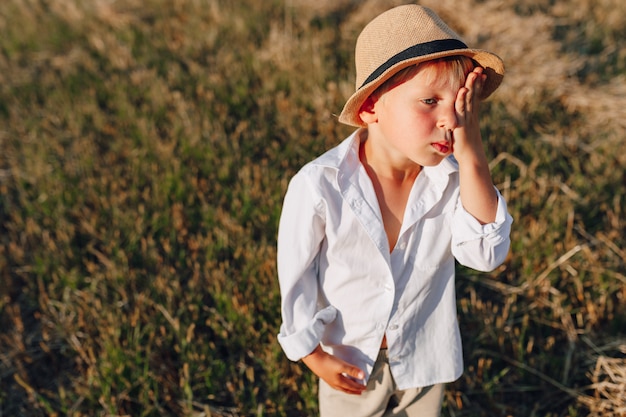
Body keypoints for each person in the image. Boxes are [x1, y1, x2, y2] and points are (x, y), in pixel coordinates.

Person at [276, 4, 513, 416]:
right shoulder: (320, 186)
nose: (449, 119)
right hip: (348, 359)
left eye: (458, 104)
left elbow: (485, 254)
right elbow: (295, 278)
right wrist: (312, 354)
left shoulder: (455, 180)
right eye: (429, 101)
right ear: (370, 108)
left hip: (424, 359)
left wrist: (472, 151)